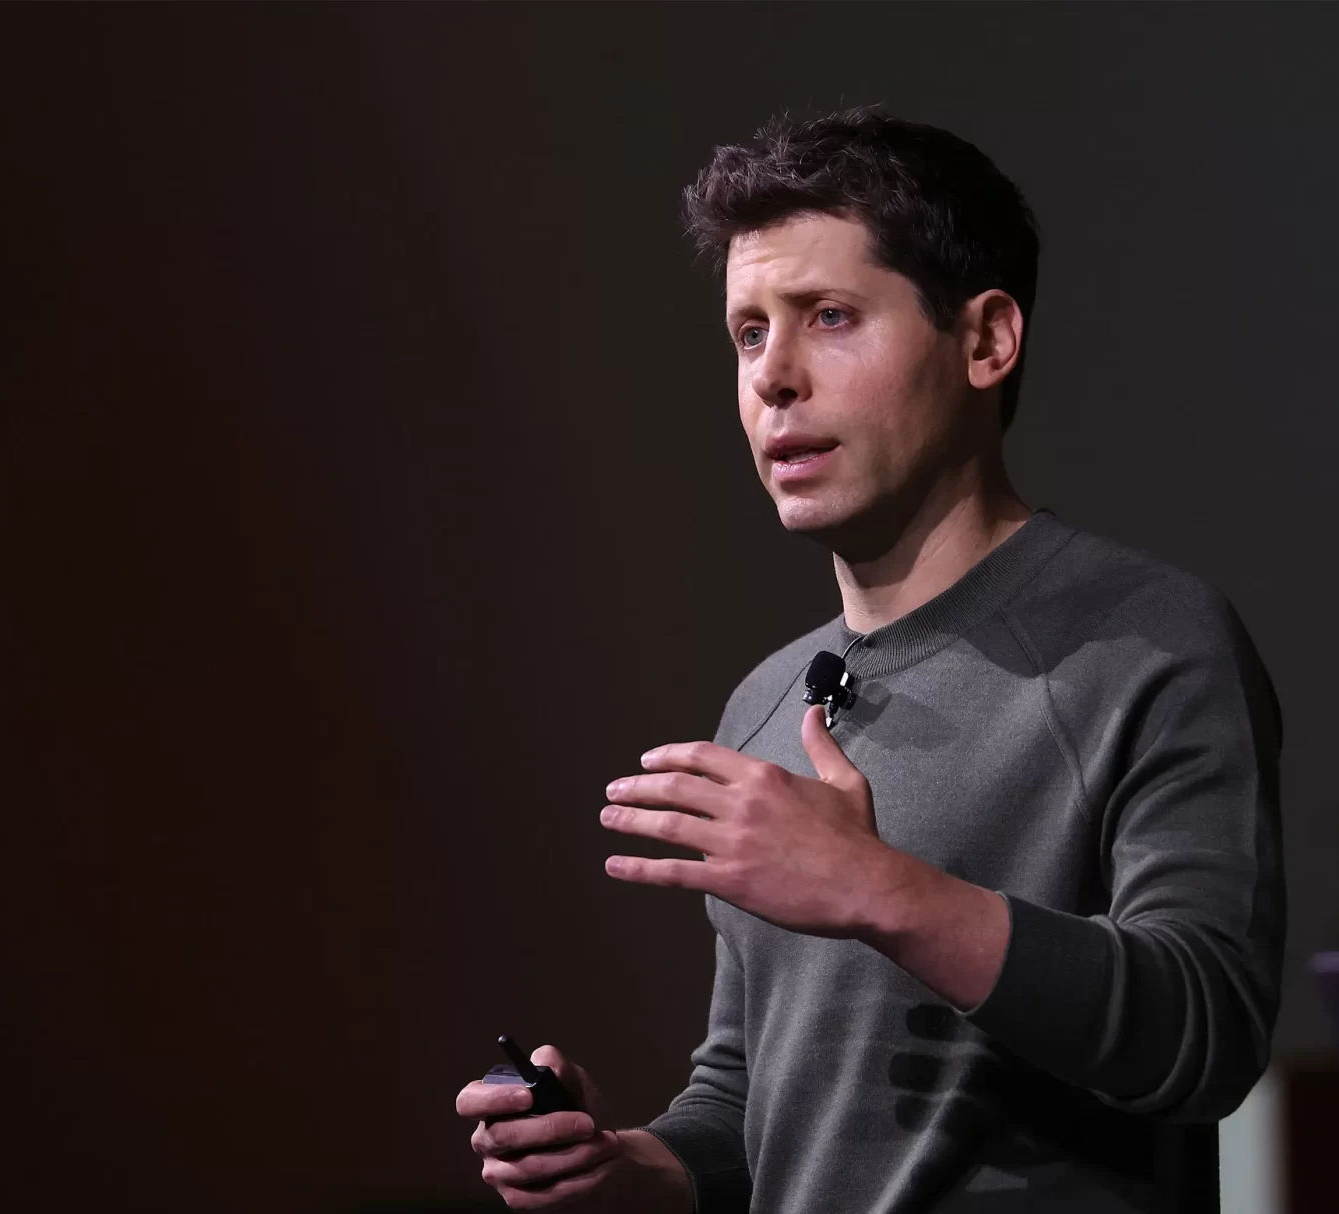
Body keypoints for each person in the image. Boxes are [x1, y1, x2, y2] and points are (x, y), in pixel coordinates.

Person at [456, 105, 1285, 1213]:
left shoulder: (1144, 639)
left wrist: (878, 889)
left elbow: (1206, 1030)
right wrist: (629, 1167)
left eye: (831, 317)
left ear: (986, 341)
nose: (774, 377)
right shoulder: (766, 701)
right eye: (749, 333)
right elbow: (750, 1097)